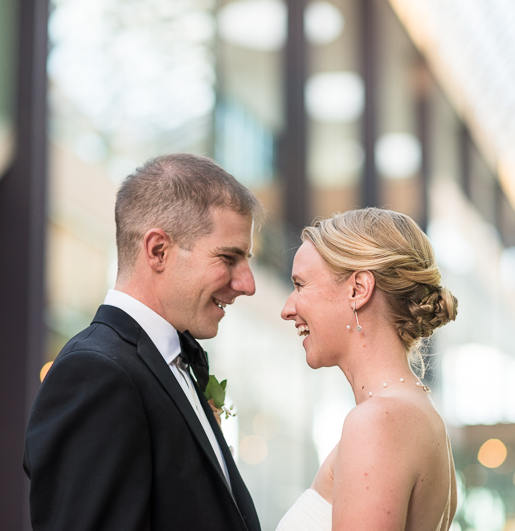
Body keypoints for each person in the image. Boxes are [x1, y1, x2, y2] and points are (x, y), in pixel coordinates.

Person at [24, 153, 263, 531]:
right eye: (229, 258)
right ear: (157, 250)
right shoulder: (96, 373)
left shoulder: (177, 363)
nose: (247, 284)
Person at [276, 207, 458, 531]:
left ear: (359, 289)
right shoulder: (424, 421)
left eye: (300, 285)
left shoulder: (376, 423)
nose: (287, 309)